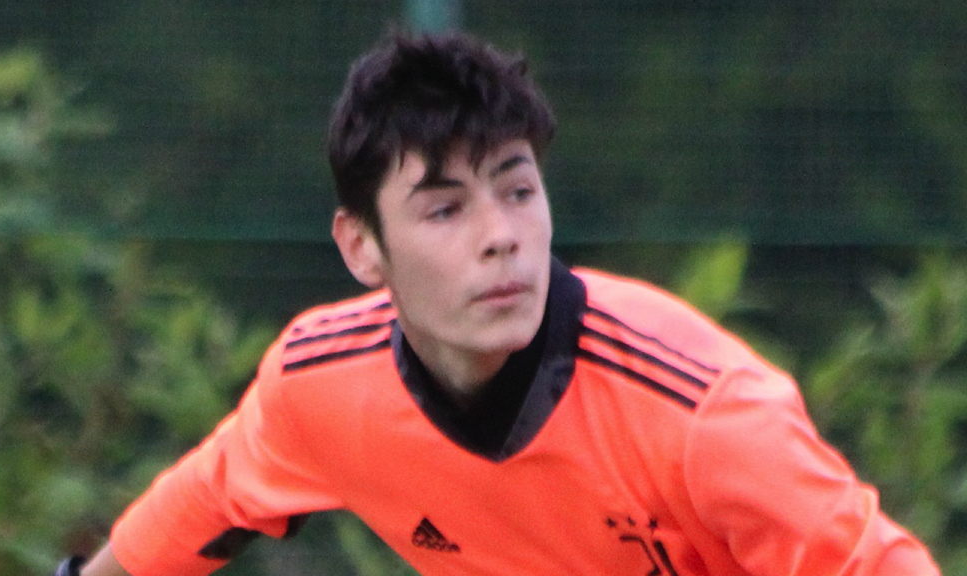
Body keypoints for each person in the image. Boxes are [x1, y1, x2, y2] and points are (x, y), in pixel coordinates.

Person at [56, 30, 941, 576]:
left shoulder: (700, 412)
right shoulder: (320, 384)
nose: (501, 235)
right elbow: (202, 508)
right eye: (445, 209)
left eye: (517, 191)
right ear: (362, 247)